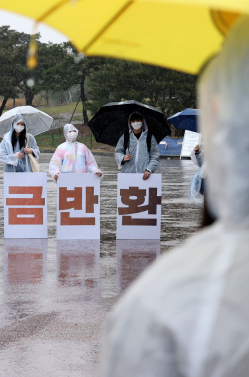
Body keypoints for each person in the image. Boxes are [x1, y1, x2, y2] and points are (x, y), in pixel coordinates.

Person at [100, 15, 249, 376]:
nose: (135, 125)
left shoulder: (161, 302)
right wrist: (121, 157)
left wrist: (150, 166)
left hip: (145, 176)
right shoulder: (126, 138)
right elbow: (120, 154)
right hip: (128, 176)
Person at [114, 112, 160, 180]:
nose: (136, 123)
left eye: (138, 120)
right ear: (130, 122)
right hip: (127, 176)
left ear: (142, 121)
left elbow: (155, 156)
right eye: (133, 121)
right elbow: (117, 152)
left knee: (142, 191)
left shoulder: (149, 138)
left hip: (144, 177)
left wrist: (149, 169)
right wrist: (123, 158)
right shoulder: (125, 137)